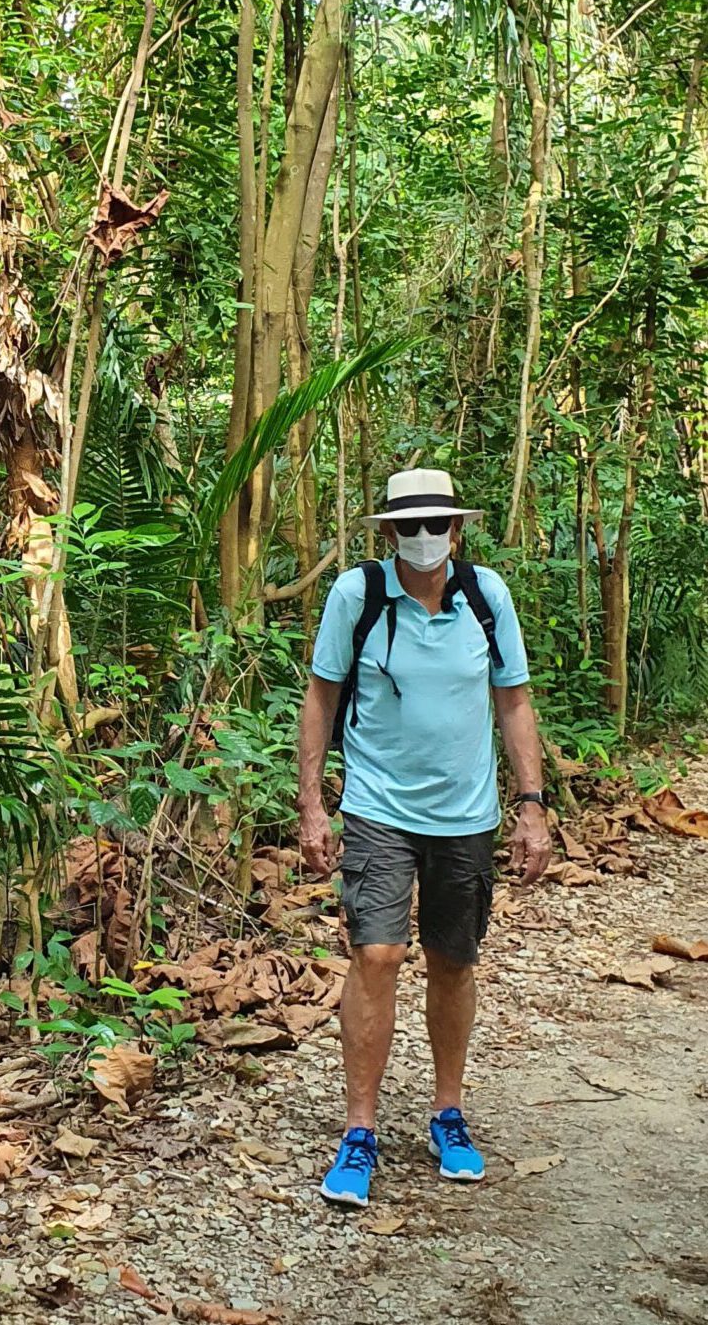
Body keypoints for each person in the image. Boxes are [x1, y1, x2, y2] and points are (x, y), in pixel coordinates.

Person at [296, 468, 551, 1206]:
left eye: (435, 522)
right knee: (375, 952)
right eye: (407, 524)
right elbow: (320, 695)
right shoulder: (358, 594)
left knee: (452, 957)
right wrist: (313, 803)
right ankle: (359, 1129)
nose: (422, 535)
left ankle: (447, 1112)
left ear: (456, 527)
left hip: (465, 813)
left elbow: (513, 700)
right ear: (386, 533)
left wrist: (530, 804)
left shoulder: (484, 596)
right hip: (377, 806)